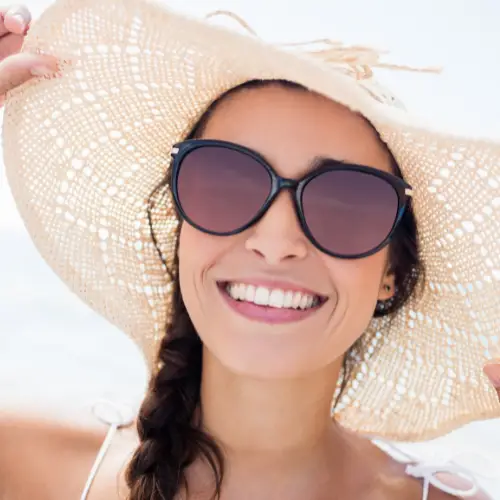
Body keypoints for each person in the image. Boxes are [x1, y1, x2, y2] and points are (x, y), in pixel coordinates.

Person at [0, 1, 499, 499]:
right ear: (180, 229)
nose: (276, 242)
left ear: (392, 270)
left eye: (346, 203)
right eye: (225, 182)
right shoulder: (25, 466)